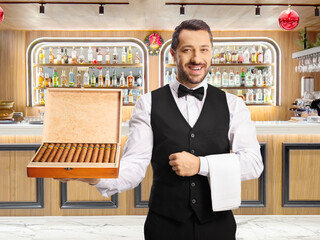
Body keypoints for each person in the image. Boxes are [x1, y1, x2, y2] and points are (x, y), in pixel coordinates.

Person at [57, 19, 263, 240]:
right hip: (165, 225)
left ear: (211, 53)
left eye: (204, 50)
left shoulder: (233, 104)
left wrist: (201, 165)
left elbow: (253, 163)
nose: (196, 58)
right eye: (187, 50)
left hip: (218, 224)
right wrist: (93, 177)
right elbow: (134, 165)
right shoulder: (147, 103)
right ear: (174, 55)